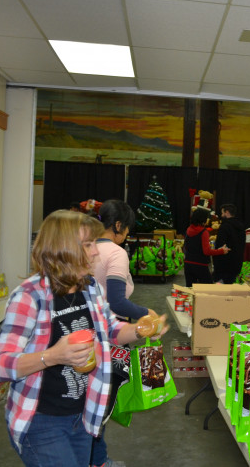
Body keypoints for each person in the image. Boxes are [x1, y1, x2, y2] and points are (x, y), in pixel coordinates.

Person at [0, 210, 168, 467]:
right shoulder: (29, 297)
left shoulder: (90, 288)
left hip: (84, 415)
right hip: (42, 422)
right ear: (62, 249)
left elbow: (111, 330)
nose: (95, 252)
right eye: (88, 245)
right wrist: (53, 356)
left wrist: (141, 329)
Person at [91, 200, 157, 467]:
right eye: (127, 228)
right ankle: (97, 461)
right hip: (109, 334)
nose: (127, 234)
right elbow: (116, 302)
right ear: (118, 225)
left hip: (81, 331)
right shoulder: (116, 253)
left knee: (87, 400)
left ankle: (95, 458)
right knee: (102, 401)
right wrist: (146, 312)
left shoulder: (85, 247)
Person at [184, 206, 229, 285]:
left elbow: (185, 247)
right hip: (200, 264)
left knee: (190, 288)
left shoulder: (189, 229)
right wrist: (221, 251)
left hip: (188, 263)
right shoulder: (203, 232)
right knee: (208, 288)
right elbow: (206, 251)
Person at [213, 204, 246, 284]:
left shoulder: (224, 226)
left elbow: (220, 245)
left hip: (224, 265)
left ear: (227, 212)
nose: (221, 215)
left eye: (222, 213)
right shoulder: (241, 226)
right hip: (237, 263)